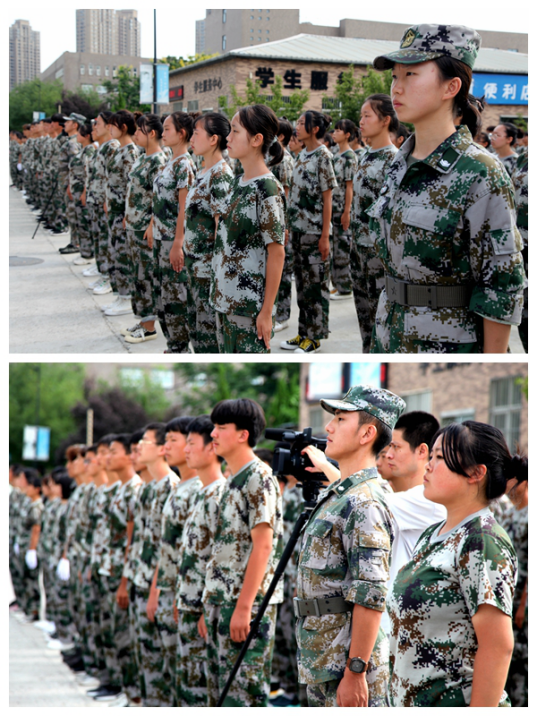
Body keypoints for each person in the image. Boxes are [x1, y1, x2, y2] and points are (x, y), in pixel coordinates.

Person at [369, 24, 525, 353]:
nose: (396, 87)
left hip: (448, 348)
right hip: (389, 337)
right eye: (395, 76)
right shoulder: (398, 163)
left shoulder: (480, 171)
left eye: (411, 75)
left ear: (451, 86)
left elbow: (501, 286)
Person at [388, 420, 523, 706]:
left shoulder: (481, 540)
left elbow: (497, 647)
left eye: (439, 458)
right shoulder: (433, 534)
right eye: (431, 456)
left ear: (476, 473)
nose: (428, 466)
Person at [295, 386, 405, 707]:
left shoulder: (364, 502)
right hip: (326, 656)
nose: (328, 427)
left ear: (367, 434)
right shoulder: (346, 493)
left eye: (341, 419)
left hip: (347, 663)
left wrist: (356, 671)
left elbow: (371, 592)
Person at [203, 398, 283, 706]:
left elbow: (263, 545)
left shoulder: (258, 477)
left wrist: (244, 608)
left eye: (221, 427)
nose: (213, 434)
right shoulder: (233, 478)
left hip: (245, 603)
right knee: (220, 694)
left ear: (243, 435)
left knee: (243, 695)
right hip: (222, 600)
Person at [210, 105, 286, 353]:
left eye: (235, 131)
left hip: (248, 307)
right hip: (224, 300)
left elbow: (276, 253)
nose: (228, 138)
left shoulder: (267, 189)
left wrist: (266, 311)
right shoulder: (237, 182)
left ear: (256, 139)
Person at [175, 416, 227, 706]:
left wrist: (205, 610)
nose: (186, 450)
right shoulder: (200, 493)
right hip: (188, 601)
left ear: (211, 448)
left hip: (202, 609)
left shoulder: (220, 495)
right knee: (187, 683)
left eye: (192, 443)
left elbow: (218, 559)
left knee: (199, 690)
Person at [379, 411, 445, 634]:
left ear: (422, 451)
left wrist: (326, 467)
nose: (388, 455)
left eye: (396, 447)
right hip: (395, 622)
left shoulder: (427, 500)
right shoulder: (407, 497)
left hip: (405, 627)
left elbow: (365, 502)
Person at [283, 111, 337, 353]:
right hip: (298, 230)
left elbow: (328, 199)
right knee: (303, 286)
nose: (297, 127)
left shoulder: (323, 156)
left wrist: (325, 235)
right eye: (298, 122)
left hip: (315, 232)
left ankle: (315, 337)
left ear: (315, 129)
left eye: (302, 123)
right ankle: (303, 333)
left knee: (316, 285)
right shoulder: (302, 154)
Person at [351, 95, 398, 353]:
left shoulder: (394, 160)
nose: (361, 121)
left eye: (367, 115)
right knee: (363, 316)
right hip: (358, 247)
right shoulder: (366, 155)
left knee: (380, 319)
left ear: (385, 120)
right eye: (361, 116)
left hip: (378, 254)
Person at [146, 112, 196, 354]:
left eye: (167, 129)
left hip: (171, 240)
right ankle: (172, 345)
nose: (162, 133)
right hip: (160, 238)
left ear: (181, 133)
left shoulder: (185, 164)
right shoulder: (170, 161)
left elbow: (184, 208)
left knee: (175, 297)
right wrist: (152, 226)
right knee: (161, 296)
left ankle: (179, 348)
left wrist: (178, 243)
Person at [185, 112, 233, 353]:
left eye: (196, 133)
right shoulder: (204, 170)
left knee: (207, 339)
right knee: (195, 331)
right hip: (194, 266)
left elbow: (221, 230)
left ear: (214, 139)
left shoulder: (220, 175)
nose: (191, 139)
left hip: (207, 271)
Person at [122, 114, 167, 344]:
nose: (135, 134)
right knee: (137, 275)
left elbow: (159, 198)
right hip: (134, 224)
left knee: (146, 275)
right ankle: (142, 320)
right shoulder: (142, 157)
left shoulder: (159, 161)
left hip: (144, 227)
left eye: (140, 130)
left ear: (152, 133)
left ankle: (149, 326)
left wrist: (151, 225)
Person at [102, 110, 140, 318]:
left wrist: (127, 213)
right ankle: (120, 294)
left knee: (123, 254)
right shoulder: (119, 150)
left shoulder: (130, 152)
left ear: (123, 127)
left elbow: (131, 186)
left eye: (113, 125)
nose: (109, 128)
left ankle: (127, 297)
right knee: (115, 252)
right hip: (114, 210)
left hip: (122, 212)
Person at [499, 459, 528, 706]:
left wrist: (523, 605)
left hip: (523, 601)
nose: (510, 490)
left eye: (514, 484)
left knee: (523, 659)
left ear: (525, 483)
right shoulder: (508, 513)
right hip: (507, 597)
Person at [86, 111, 120, 295]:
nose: (94, 127)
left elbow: (112, 177)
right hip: (97, 200)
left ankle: (109, 277)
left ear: (108, 126)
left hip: (105, 202)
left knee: (107, 242)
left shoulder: (112, 147)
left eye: (98, 123)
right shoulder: (103, 147)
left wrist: (107, 199)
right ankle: (103, 273)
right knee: (99, 239)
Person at [330, 119, 358, 301]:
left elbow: (350, 186)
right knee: (335, 247)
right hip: (332, 208)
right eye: (334, 130)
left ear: (347, 135)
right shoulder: (335, 155)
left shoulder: (349, 157)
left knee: (342, 247)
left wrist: (347, 211)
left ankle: (345, 287)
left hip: (342, 208)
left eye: (339, 130)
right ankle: (338, 283)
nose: (334, 133)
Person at [272, 117, 296, 333]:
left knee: (283, 272)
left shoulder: (285, 160)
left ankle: (283, 315)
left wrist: (285, 226)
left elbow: (286, 195)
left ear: (280, 136)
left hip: (282, 223)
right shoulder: (273, 158)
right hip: (273, 221)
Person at [70, 123, 96, 265]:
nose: (77, 136)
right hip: (78, 191)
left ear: (86, 136)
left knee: (85, 223)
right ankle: (85, 252)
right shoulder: (84, 149)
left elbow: (88, 173)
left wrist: (85, 192)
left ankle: (87, 254)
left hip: (82, 192)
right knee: (80, 223)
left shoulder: (90, 150)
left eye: (79, 133)